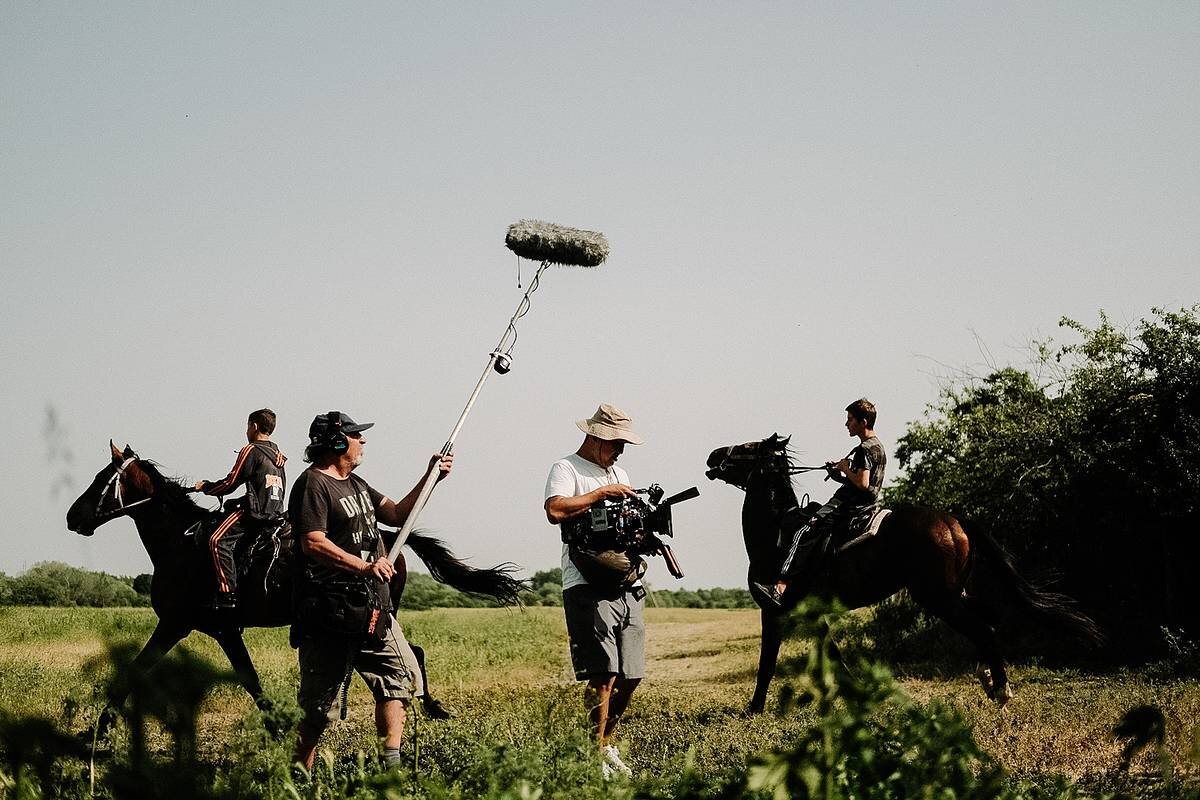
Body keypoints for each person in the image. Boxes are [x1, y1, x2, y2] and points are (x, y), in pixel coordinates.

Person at [289, 410, 453, 772]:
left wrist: (431, 478)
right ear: (336, 442)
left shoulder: (358, 484)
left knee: (402, 678)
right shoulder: (312, 484)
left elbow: (395, 514)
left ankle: (389, 769)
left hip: (374, 610)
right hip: (330, 612)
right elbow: (313, 543)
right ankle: (298, 779)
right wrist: (364, 566)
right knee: (319, 710)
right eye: (355, 435)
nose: (362, 441)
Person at [544, 403, 646, 779]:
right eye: (616, 442)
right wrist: (602, 493)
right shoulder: (566, 468)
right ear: (595, 436)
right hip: (586, 584)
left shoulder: (620, 470)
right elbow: (554, 510)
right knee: (603, 674)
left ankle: (605, 744)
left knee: (631, 674)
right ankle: (592, 754)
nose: (621, 450)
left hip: (626, 582)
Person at [760, 398, 887, 607]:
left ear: (863, 422)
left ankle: (780, 587)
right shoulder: (878, 446)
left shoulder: (864, 449)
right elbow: (864, 483)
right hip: (867, 504)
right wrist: (838, 475)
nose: (847, 424)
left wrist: (846, 468)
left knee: (804, 531)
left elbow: (863, 484)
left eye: (850, 420)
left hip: (848, 505)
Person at [194, 408, 287, 609]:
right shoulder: (277, 453)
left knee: (216, 540)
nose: (246, 431)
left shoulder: (251, 450)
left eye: (247, 426)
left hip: (255, 513)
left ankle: (227, 595)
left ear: (254, 426)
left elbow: (230, 483)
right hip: (276, 513)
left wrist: (207, 487)